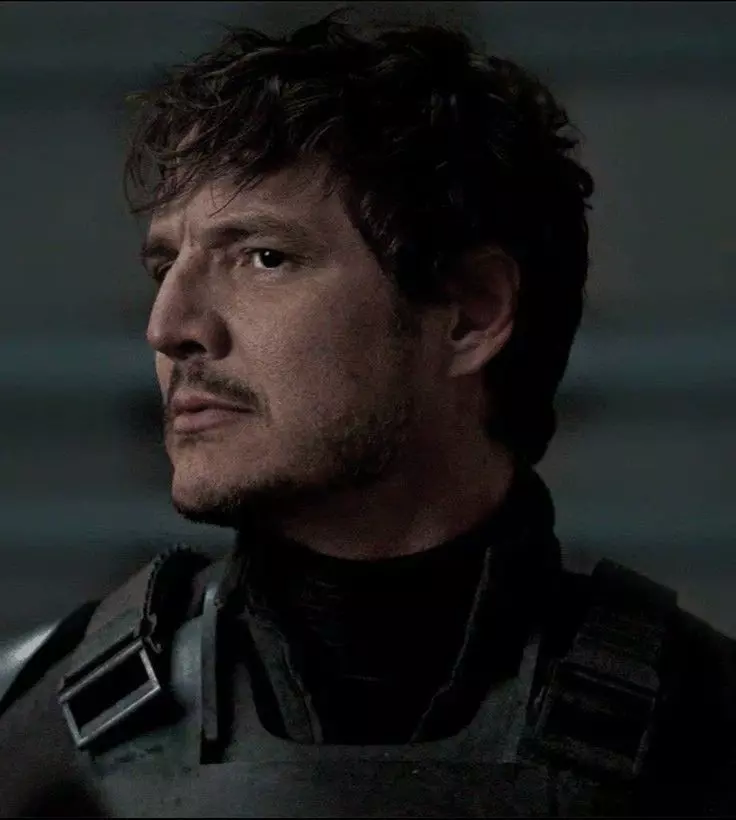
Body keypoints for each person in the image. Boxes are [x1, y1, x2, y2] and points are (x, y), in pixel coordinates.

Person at [0, 10, 734, 817]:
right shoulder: (38, 734)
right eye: (165, 265)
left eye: (264, 258)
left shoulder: (703, 731)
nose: (170, 328)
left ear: (470, 314)